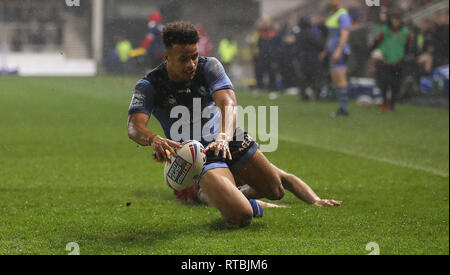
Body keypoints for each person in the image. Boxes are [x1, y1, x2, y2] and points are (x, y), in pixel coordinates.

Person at [127, 21, 341, 228]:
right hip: (198, 155)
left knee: (276, 191)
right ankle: (228, 199)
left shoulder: (209, 66)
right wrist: (153, 139)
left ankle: (231, 195)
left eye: (194, 56)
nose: (191, 64)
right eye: (184, 59)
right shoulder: (149, 85)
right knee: (242, 216)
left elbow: (228, 103)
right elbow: (134, 126)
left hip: (229, 139)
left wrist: (224, 136)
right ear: (166, 56)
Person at [371, 8, 412, 112]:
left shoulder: (405, 32)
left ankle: (392, 104)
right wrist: (377, 55)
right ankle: (384, 103)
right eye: (394, 19)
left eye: (397, 19)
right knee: (384, 83)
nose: (395, 22)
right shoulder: (384, 30)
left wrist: (403, 57)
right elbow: (376, 43)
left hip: (399, 62)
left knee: (396, 85)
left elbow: (408, 46)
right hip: (385, 62)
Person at [320, 0, 352, 117]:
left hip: (340, 51)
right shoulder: (333, 14)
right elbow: (331, 36)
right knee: (336, 79)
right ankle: (342, 107)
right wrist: (325, 51)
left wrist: (338, 50)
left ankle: (344, 109)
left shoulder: (343, 15)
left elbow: (344, 34)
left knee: (340, 78)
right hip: (333, 50)